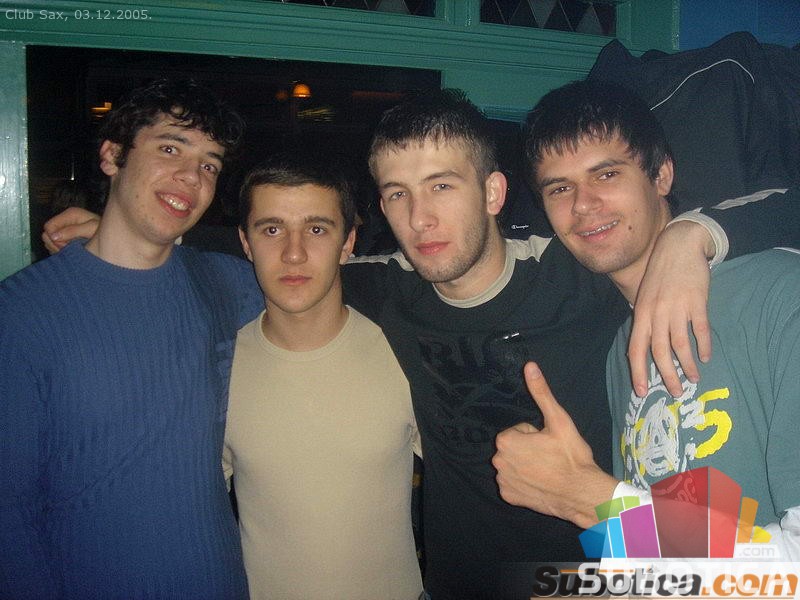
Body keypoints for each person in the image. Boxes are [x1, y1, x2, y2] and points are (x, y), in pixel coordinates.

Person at [42, 89, 796, 598]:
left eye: (442, 186)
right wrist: (132, 235)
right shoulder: (387, 289)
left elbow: (770, 573)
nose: (421, 218)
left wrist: (695, 234)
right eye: (398, 195)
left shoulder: (585, 273)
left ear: (494, 194)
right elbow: (282, 253)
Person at [493, 80, 800, 556]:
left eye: (606, 174)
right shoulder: (621, 347)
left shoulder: (780, 295)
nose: (582, 204)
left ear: (661, 176)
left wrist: (586, 498)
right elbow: (650, 558)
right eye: (560, 188)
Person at [0, 79, 262, 598]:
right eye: (170, 149)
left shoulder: (223, 283)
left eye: (209, 165)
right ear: (112, 155)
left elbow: (316, 272)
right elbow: (9, 515)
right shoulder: (21, 312)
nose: (191, 176)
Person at [225, 152, 423, 599]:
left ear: (348, 242)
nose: (293, 253)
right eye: (271, 230)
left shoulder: (402, 354)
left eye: (316, 229)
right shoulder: (217, 370)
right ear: (245, 243)